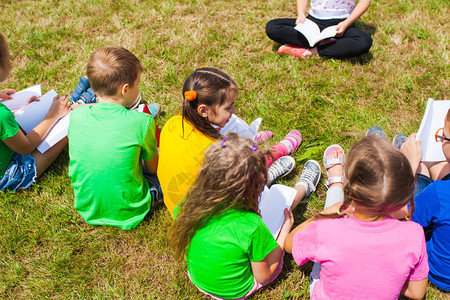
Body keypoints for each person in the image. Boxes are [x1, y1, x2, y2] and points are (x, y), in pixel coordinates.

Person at [169, 133, 321, 300]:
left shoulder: (189, 202)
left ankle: (267, 177)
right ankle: (302, 188)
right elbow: (264, 275)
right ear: (251, 190)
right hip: (236, 289)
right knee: (281, 211)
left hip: (200, 279)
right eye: (260, 184)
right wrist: (285, 230)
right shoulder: (251, 225)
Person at [285, 136, 429, 300]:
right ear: (398, 196)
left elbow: (290, 244)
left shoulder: (326, 231)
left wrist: (328, 213)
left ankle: (335, 186)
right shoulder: (414, 234)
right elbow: (417, 293)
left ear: (350, 186)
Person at [158, 67, 302, 218]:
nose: (234, 111)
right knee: (277, 205)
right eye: (228, 107)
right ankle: (295, 176)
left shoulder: (172, 123)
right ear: (203, 110)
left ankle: (250, 143)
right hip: (210, 221)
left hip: (179, 211)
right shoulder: (217, 152)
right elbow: (240, 190)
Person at [68, 46, 161, 230]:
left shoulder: (76, 116)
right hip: (132, 210)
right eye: (138, 83)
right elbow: (153, 168)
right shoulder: (142, 122)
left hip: (88, 208)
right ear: (125, 89)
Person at [0, 32, 71, 191]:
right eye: (8, 60)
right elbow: (26, 147)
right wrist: (52, 116)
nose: (11, 64)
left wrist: (21, 109)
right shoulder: (2, 115)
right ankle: (78, 103)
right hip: (7, 175)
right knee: (64, 126)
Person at [400, 109, 450, 291]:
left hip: (441, 273)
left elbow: (402, 215)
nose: (442, 140)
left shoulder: (440, 192)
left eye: (443, 137)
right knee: (442, 168)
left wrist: (409, 167)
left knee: (421, 171)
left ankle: (405, 158)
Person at [265, 0, 372, 59]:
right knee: (273, 27)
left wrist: (346, 23)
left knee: (364, 41)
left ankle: (311, 52)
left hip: (342, 24)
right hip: (313, 21)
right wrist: (301, 14)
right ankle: (335, 47)